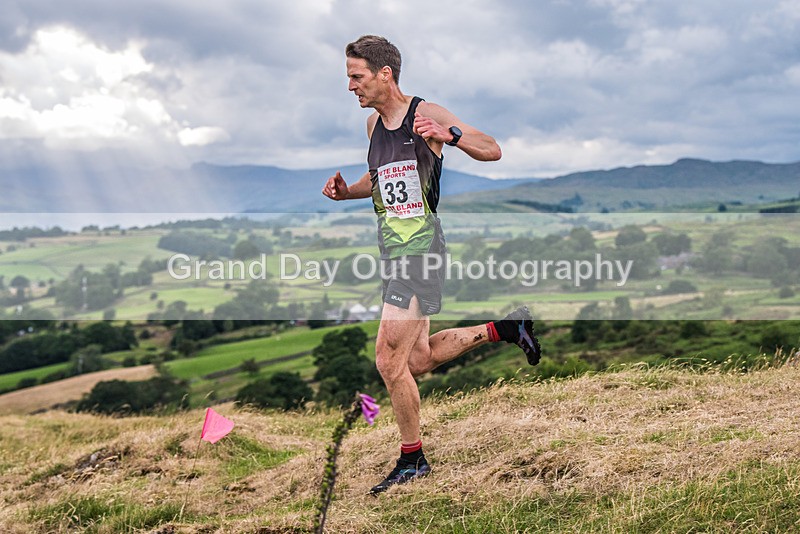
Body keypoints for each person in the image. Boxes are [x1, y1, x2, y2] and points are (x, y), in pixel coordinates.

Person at [322, 35, 541, 495]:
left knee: (387, 360)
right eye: (348, 77)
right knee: (416, 359)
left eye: (356, 76)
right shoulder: (371, 127)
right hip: (394, 253)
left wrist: (450, 137)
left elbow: (492, 147)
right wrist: (348, 192)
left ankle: (412, 459)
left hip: (419, 252)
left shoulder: (427, 113)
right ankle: (504, 329)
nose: (350, 86)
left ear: (385, 74)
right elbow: (379, 178)